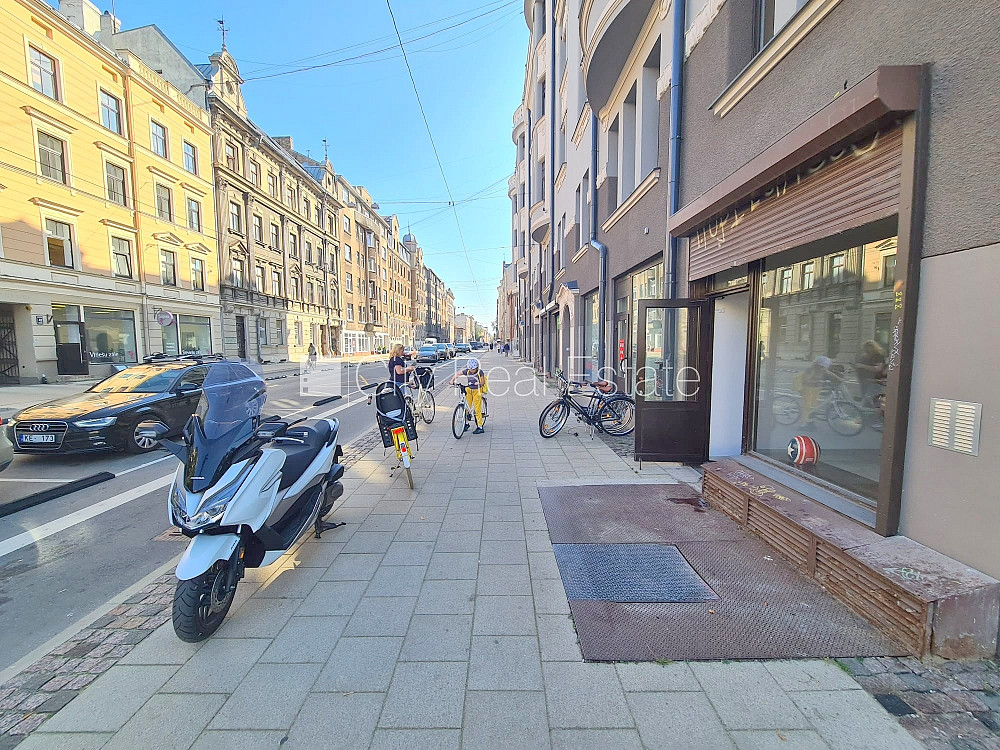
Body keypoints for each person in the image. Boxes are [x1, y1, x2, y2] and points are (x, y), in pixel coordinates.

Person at [450, 357, 487, 434]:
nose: (471, 371)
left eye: (473, 369)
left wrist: (479, 383)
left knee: (477, 409)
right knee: (466, 407)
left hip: (477, 391)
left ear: (476, 368)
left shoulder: (480, 372)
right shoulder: (467, 371)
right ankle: (466, 424)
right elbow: (458, 374)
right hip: (469, 390)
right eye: (470, 369)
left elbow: (483, 382)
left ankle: (480, 427)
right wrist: (452, 380)